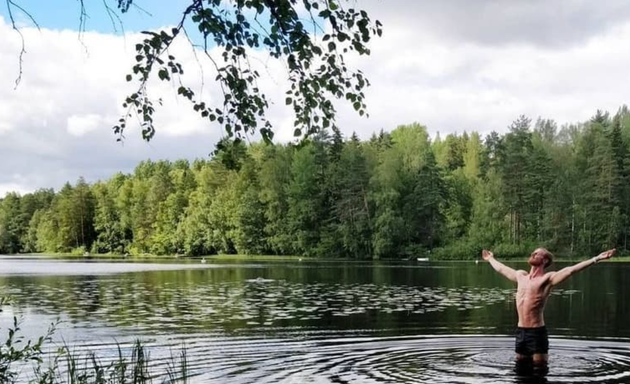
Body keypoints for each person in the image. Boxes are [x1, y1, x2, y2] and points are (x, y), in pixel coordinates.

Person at [481, 247, 616, 365]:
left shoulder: (547, 279)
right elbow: (502, 269)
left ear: (545, 260)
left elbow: (570, 270)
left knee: (540, 371)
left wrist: (597, 258)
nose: (533, 254)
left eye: (537, 253)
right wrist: (490, 259)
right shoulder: (520, 276)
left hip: (537, 333)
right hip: (520, 332)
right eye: (533, 252)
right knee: (520, 371)